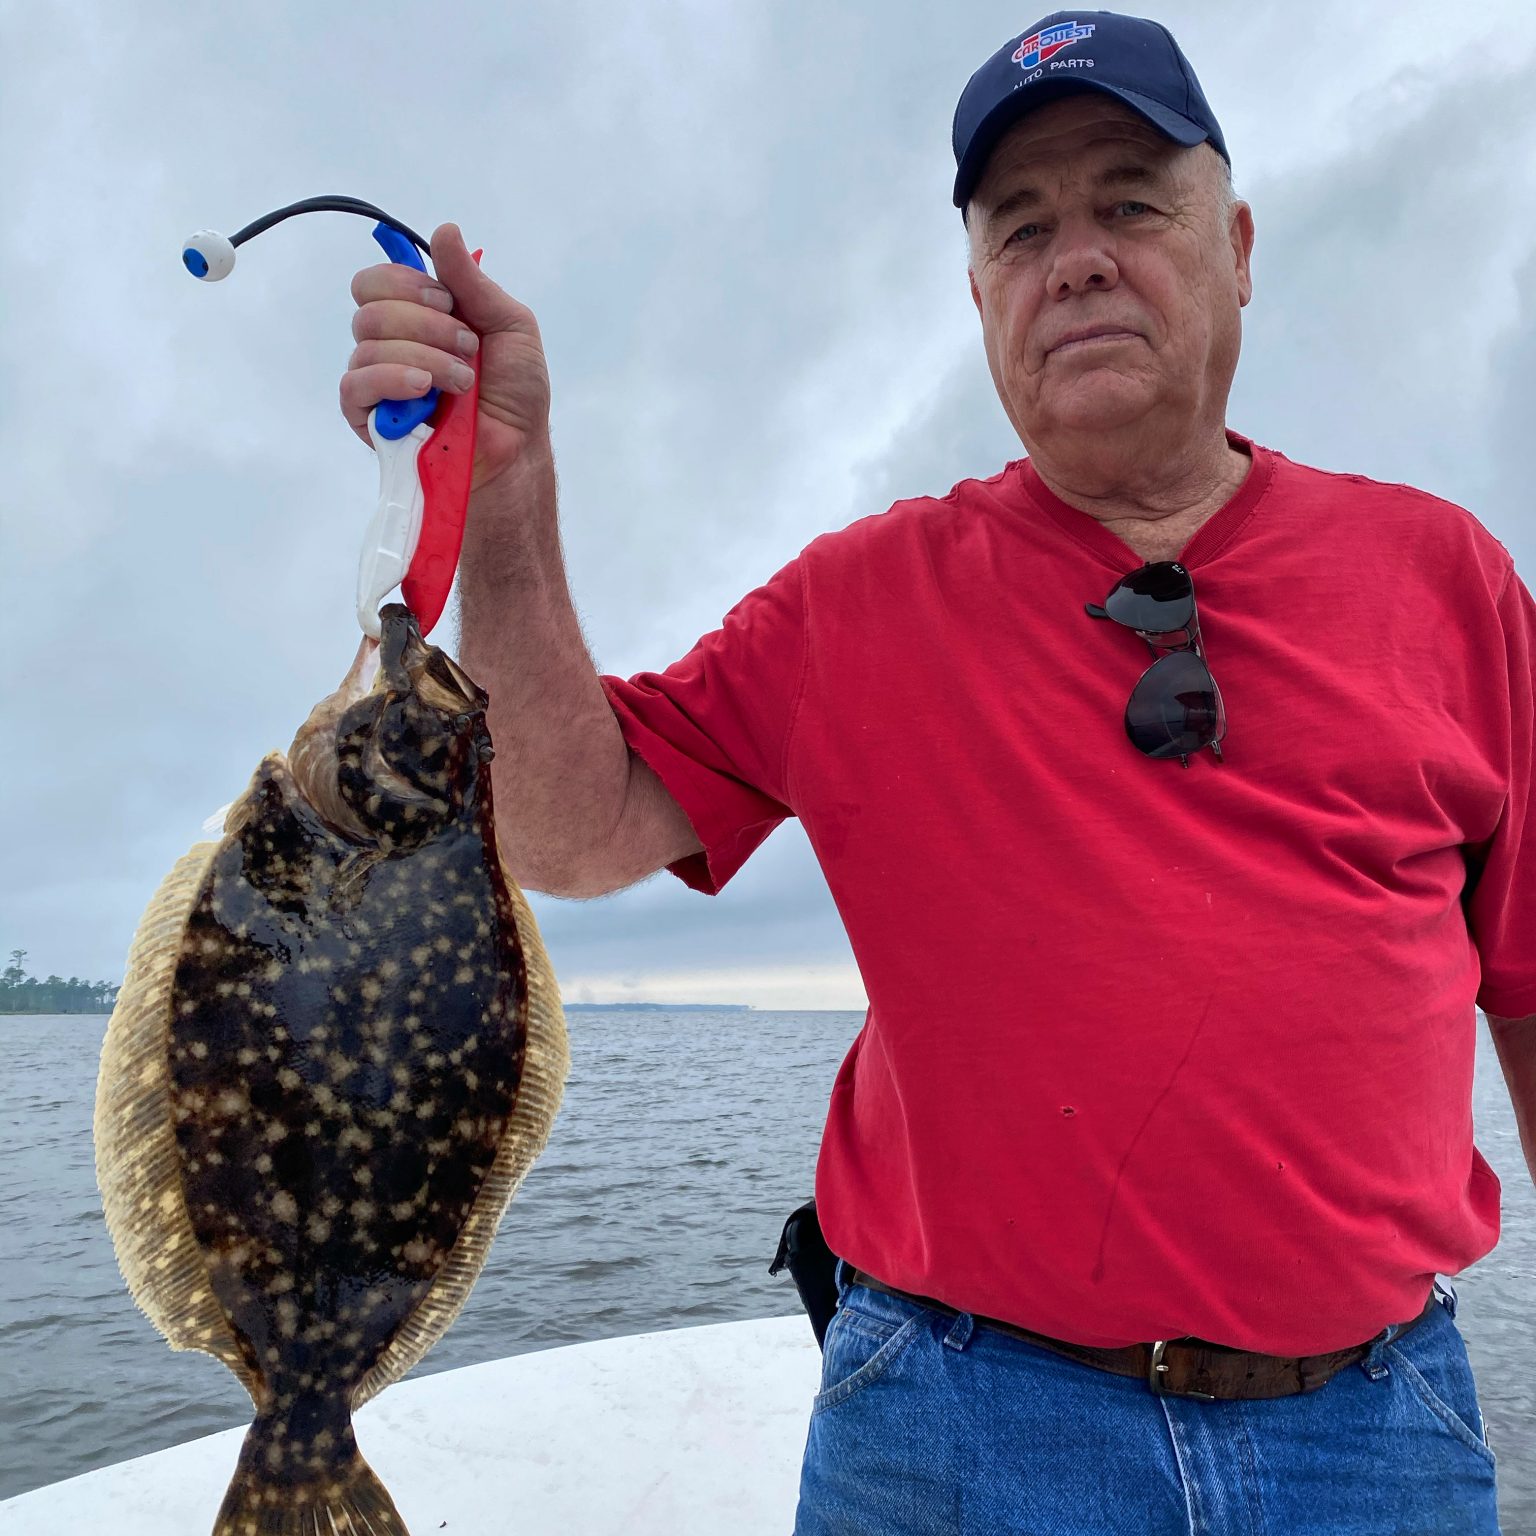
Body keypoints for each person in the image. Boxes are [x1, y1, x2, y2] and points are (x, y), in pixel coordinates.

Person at [340, 12, 1534, 1532]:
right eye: (1021, 227)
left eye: (1129, 201)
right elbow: (570, 830)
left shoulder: (1448, 577)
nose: (1077, 256)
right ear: (980, 295)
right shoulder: (859, 599)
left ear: (1236, 245)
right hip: (958, 1425)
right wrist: (505, 483)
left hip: (1373, 1428)